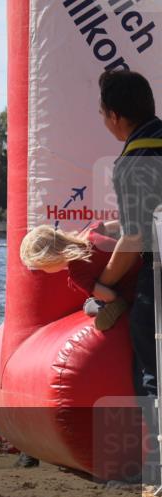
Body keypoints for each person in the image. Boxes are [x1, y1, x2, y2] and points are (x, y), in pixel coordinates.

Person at [94, 70, 162, 398]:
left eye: (103, 115)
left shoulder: (134, 162)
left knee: (153, 370)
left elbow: (135, 240)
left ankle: (157, 448)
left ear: (116, 116)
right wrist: (110, 226)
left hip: (159, 276)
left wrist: (102, 283)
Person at [19, 222, 140, 330]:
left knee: (89, 306)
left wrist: (105, 299)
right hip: (140, 263)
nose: (43, 271)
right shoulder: (90, 232)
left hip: (133, 287)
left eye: (42, 267)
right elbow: (117, 225)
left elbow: (110, 296)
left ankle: (117, 307)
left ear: (49, 261)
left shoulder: (78, 274)